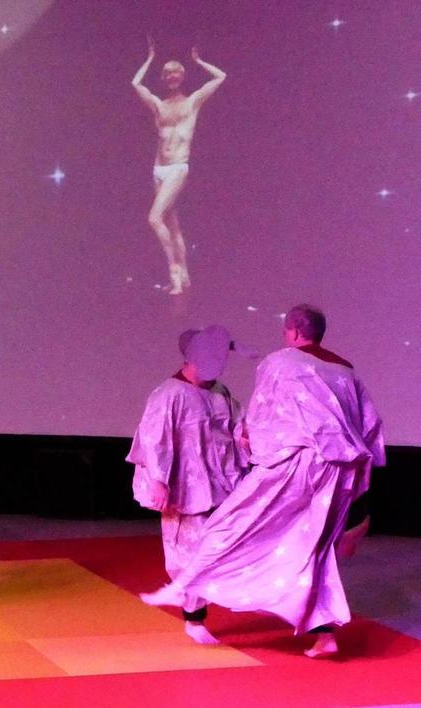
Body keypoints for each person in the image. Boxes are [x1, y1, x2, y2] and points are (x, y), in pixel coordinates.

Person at [141, 305, 385, 658]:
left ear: (294, 332)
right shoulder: (345, 370)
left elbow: (256, 419)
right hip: (333, 473)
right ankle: (321, 631)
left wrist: (254, 446)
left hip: (289, 468)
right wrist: (159, 479)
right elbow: (369, 425)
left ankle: (188, 589)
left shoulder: (276, 366)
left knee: (235, 530)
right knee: (306, 548)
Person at [128, 325, 251, 644]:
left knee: (220, 545)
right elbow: (155, 440)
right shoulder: (169, 395)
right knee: (187, 548)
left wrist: (247, 435)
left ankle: (193, 600)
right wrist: (158, 480)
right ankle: (192, 615)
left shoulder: (220, 392)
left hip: (219, 481)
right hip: (184, 486)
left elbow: (236, 425)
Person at [132, 37, 226, 294]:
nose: (171, 76)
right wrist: (150, 58)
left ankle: (174, 271)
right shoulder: (158, 105)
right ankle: (184, 275)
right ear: (163, 78)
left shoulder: (192, 101)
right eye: (167, 73)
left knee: (154, 218)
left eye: (175, 72)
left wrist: (198, 61)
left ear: (182, 76)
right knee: (172, 225)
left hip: (178, 167)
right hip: (159, 169)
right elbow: (135, 83)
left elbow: (220, 77)